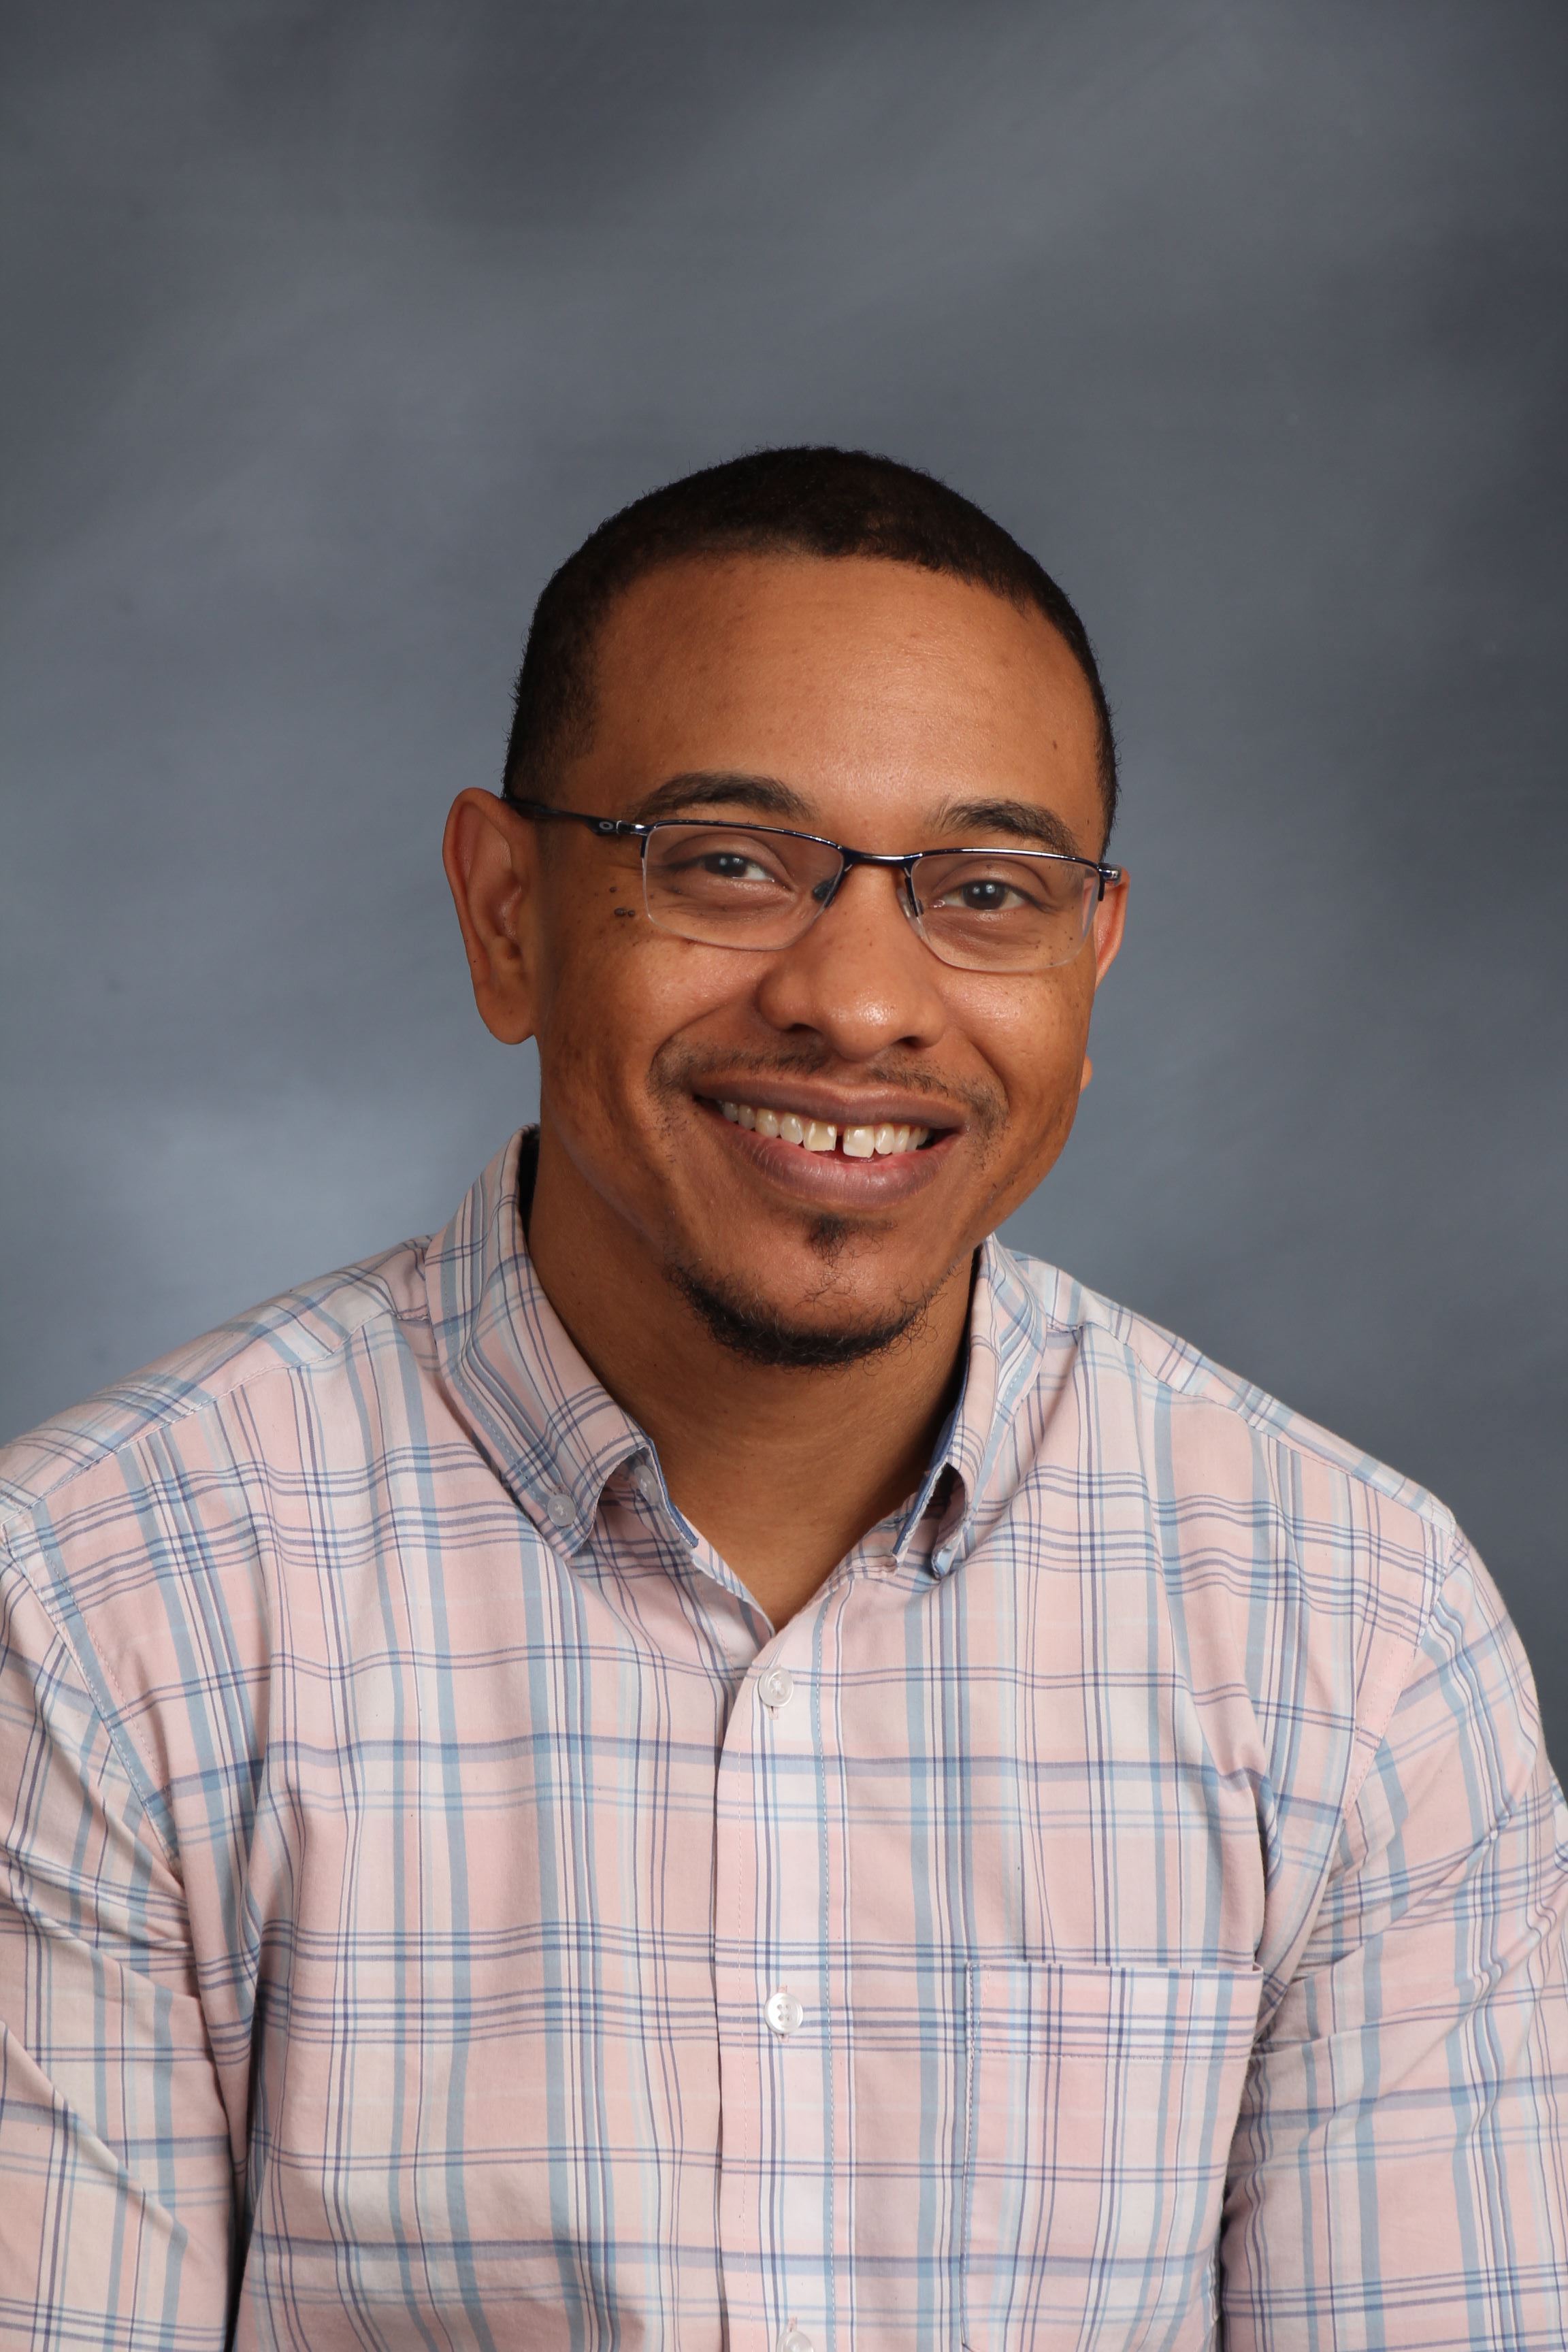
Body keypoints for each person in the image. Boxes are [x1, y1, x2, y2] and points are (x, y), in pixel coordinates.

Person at [1, 448, 1563, 2352]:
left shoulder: (1363, 1635)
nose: (861, 1000)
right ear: (506, 911)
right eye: (730, 862)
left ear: (1095, 956)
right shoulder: (93, 1608)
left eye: (985, 893)